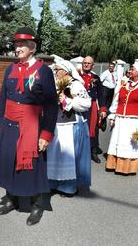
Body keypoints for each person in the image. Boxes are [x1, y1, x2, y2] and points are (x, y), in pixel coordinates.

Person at [0, 27, 58, 226]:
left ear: (32, 47)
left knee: (34, 167)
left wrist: (46, 134)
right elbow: (3, 96)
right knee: (9, 162)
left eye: (21, 45)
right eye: (16, 45)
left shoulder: (43, 70)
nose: (17, 48)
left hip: (32, 125)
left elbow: (51, 105)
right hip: (9, 124)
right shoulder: (10, 68)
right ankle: (11, 198)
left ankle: (37, 204)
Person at [47, 60, 91, 197]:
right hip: (57, 123)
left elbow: (86, 103)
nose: (55, 72)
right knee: (56, 154)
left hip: (72, 124)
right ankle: (53, 183)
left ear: (65, 71)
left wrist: (67, 101)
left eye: (57, 69)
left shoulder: (76, 85)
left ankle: (68, 187)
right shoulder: (55, 84)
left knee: (69, 156)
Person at [106, 61, 138, 174]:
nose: (130, 71)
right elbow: (116, 102)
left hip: (134, 121)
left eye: (132, 69)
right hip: (120, 119)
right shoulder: (124, 85)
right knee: (117, 141)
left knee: (130, 144)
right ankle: (114, 165)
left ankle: (128, 168)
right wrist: (112, 116)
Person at [79, 56, 107, 163]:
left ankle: (93, 151)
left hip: (92, 105)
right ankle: (79, 150)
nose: (86, 64)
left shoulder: (96, 78)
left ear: (92, 65)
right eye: (84, 62)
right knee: (79, 127)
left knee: (93, 128)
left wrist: (103, 109)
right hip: (79, 106)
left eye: (88, 63)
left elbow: (101, 94)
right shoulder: (76, 76)